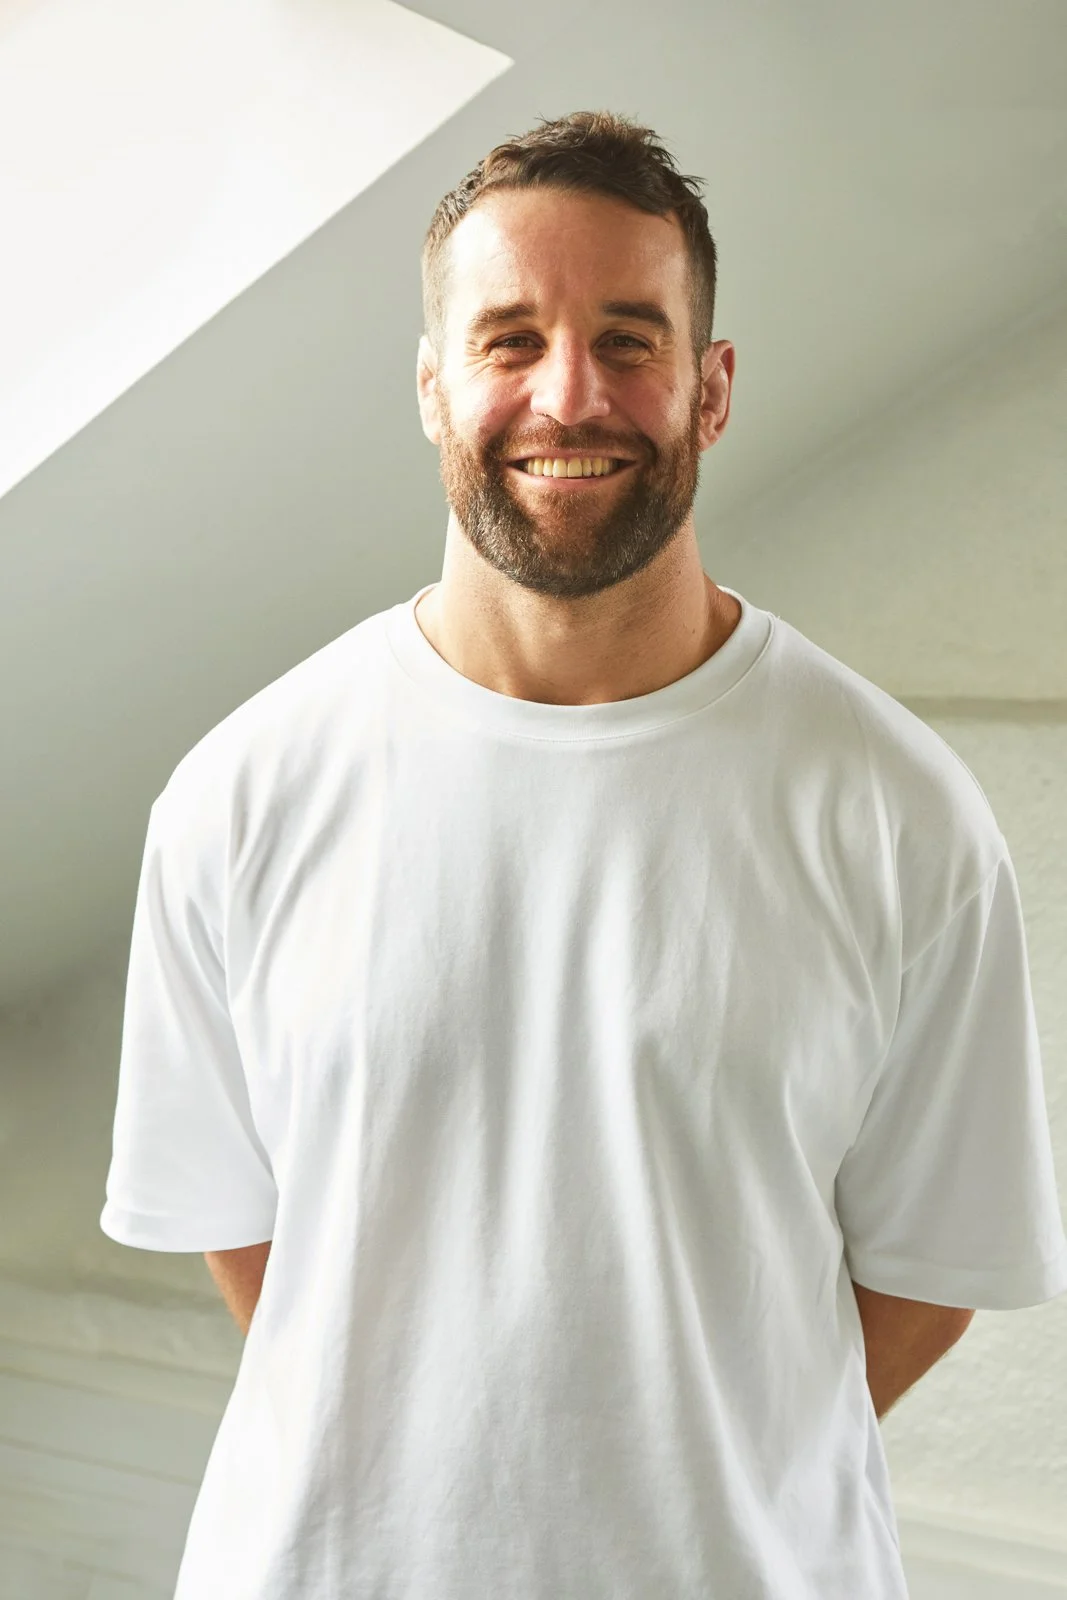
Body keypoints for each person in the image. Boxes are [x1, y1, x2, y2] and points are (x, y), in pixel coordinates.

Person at [100, 110, 1067, 1599]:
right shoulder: (243, 792)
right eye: (507, 341)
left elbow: (930, 1278)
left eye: (629, 338)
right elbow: (252, 1251)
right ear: (432, 387)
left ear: (711, 386)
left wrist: (677, 1476)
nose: (570, 395)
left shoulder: (893, 810)